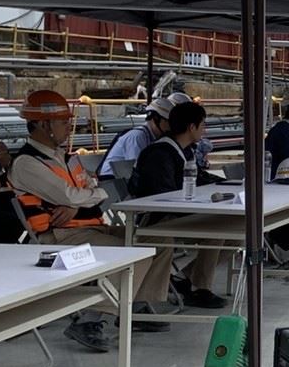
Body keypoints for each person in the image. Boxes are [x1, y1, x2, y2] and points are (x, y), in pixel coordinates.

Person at [9, 90, 175, 352]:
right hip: (59, 235)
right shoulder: (27, 163)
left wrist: (77, 204)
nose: (69, 127)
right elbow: (71, 194)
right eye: (63, 122)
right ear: (43, 125)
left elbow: (96, 189)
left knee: (160, 239)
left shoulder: (66, 157)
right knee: (136, 252)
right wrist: (80, 199)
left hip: (88, 226)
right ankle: (90, 319)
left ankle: (134, 305)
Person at [128, 101, 227, 308]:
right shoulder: (160, 154)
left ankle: (186, 280)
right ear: (191, 127)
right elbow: (163, 196)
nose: (204, 130)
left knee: (233, 232)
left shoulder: (185, 150)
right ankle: (199, 288)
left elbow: (197, 178)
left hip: (178, 214)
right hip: (158, 219)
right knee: (218, 230)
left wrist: (221, 183)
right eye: (203, 125)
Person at [99, 95, 174, 178]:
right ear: (156, 118)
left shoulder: (152, 137)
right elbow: (137, 169)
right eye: (168, 122)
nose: (170, 127)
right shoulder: (137, 137)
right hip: (111, 182)